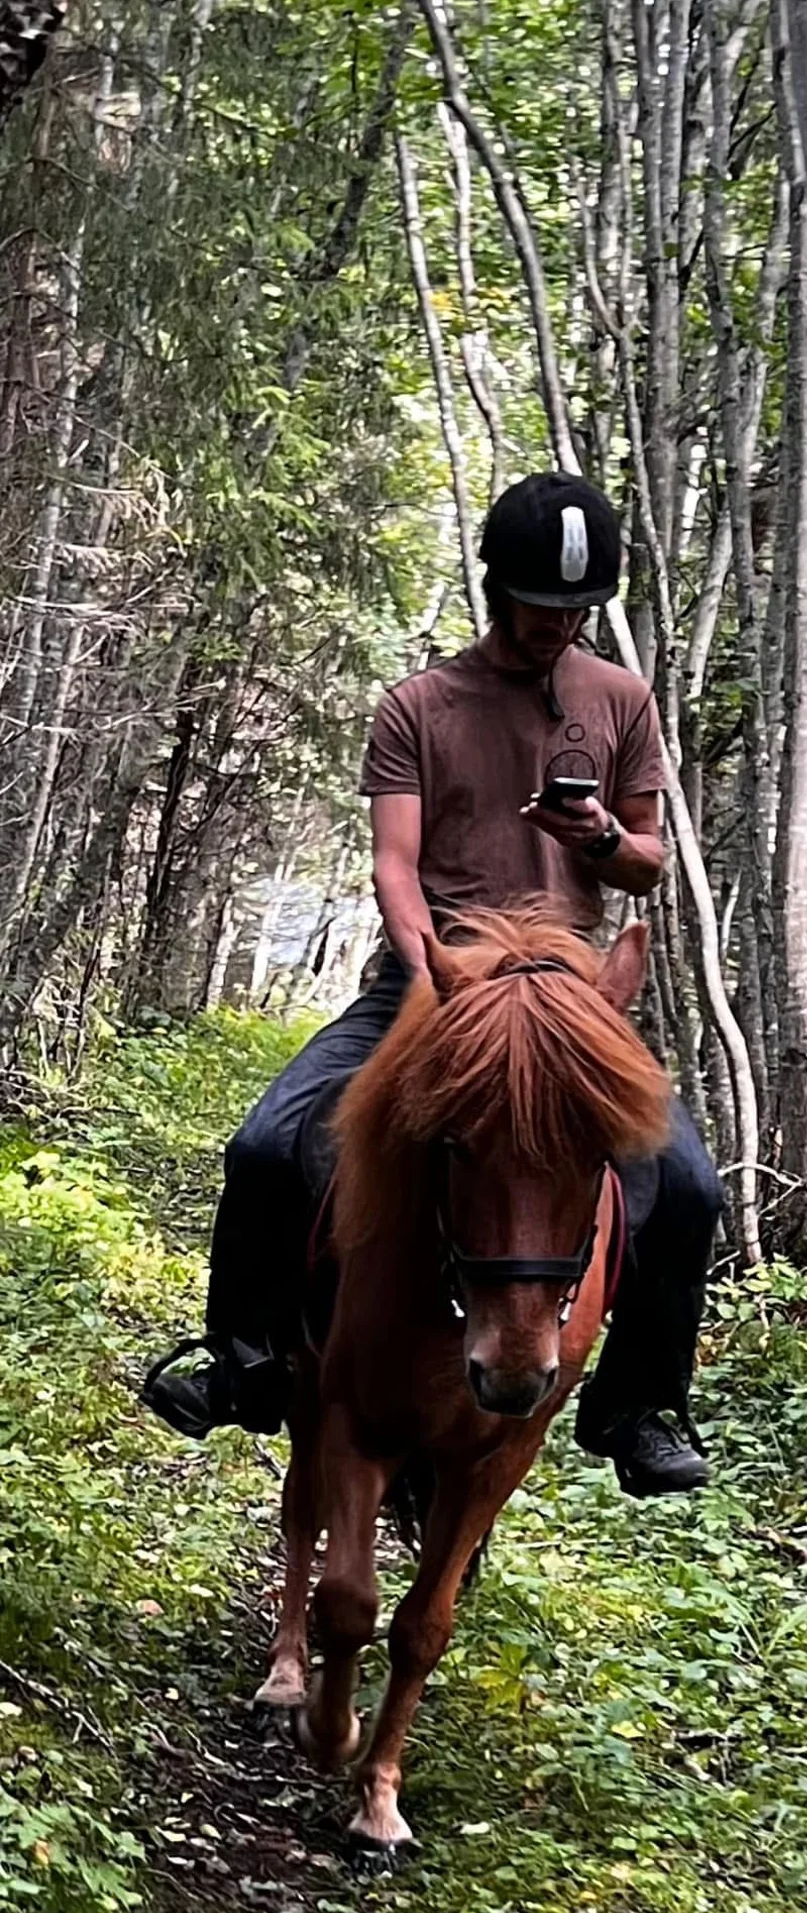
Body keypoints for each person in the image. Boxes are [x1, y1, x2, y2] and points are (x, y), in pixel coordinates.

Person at [144, 471, 727, 1497]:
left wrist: (596, 835)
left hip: (562, 998)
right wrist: (434, 975)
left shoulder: (621, 701)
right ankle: (241, 1360)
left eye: (577, 612)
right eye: (543, 608)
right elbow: (395, 864)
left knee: (686, 1185)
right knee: (268, 1147)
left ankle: (637, 1406)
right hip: (432, 975)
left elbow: (645, 862)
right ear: (499, 591)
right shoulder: (421, 704)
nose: (559, 628)